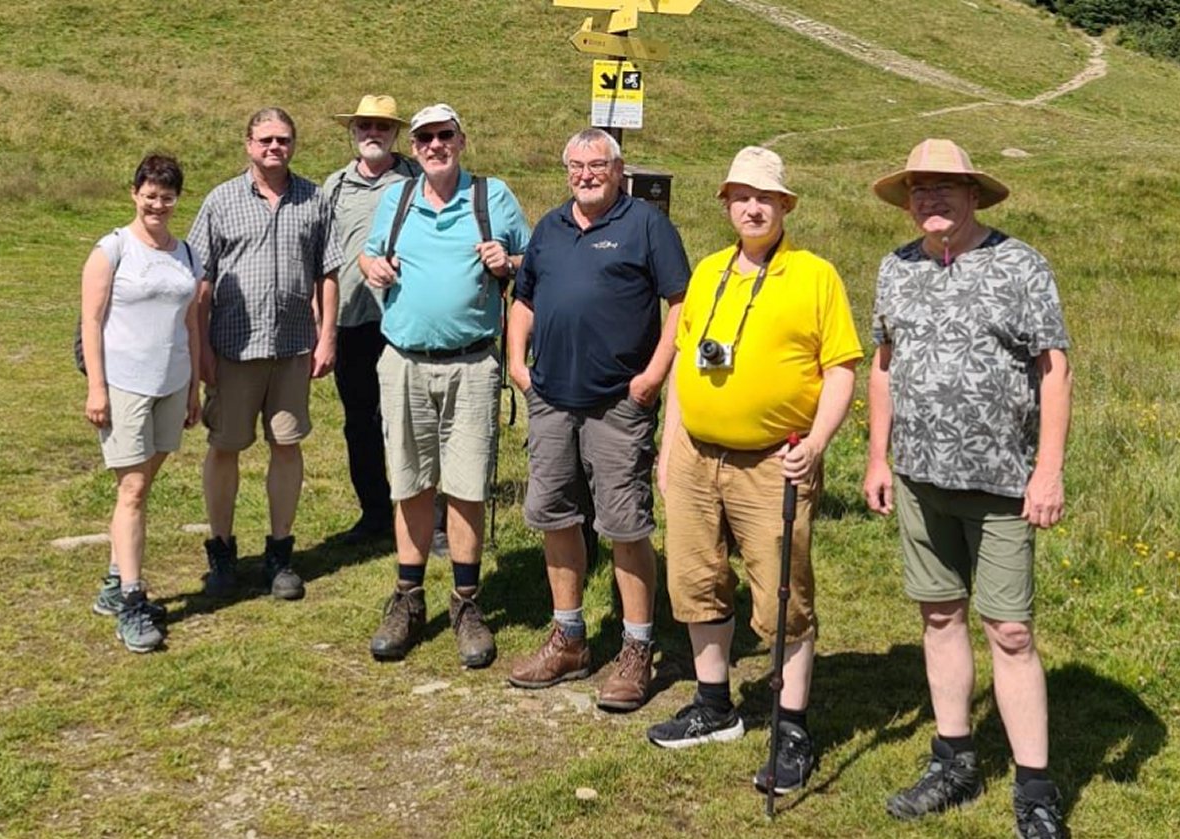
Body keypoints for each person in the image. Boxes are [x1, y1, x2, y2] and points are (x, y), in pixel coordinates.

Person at [864, 138, 1072, 839]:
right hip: (919, 478)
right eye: (918, 188)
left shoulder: (1020, 264)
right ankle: (953, 760)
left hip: (1004, 483)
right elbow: (884, 364)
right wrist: (878, 458)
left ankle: (1035, 788)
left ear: (974, 195)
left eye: (945, 187)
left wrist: (1048, 470)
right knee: (939, 615)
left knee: (1009, 630)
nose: (930, 198)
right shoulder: (896, 267)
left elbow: (1053, 369)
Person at [645, 147, 861, 798]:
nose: (753, 207)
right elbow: (685, 362)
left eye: (765, 197)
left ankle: (791, 728)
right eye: (742, 196)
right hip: (695, 455)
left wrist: (816, 444)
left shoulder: (815, 276)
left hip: (775, 460)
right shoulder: (709, 271)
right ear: (727, 204)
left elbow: (842, 369)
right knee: (695, 579)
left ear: (785, 205)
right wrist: (669, 447)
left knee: (782, 594)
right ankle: (714, 705)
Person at [506, 128, 690, 712]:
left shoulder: (646, 225)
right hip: (551, 399)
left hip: (618, 402)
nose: (586, 175)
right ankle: (569, 639)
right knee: (554, 514)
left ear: (619, 169)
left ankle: (637, 648)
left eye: (597, 165)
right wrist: (517, 363)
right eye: (576, 166)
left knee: (625, 525)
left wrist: (653, 376)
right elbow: (524, 299)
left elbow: (681, 303)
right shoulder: (550, 227)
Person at [360, 103, 530, 668]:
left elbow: (532, 262)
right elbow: (368, 254)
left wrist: (508, 262)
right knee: (410, 480)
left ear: (461, 140)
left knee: (466, 485)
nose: (435, 145)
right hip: (404, 361)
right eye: (425, 138)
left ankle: (465, 602)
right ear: (413, 148)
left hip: (472, 364)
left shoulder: (491, 197)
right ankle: (408, 598)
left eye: (445, 135)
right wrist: (370, 267)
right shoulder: (398, 198)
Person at [189, 107, 343, 601]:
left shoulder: (314, 199)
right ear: (248, 144)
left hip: (292, 347)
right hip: (233, 348)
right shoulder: (220, 201)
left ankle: (280, 553)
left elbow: (328, 273)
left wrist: (327, 336)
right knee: (225, 446)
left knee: (286, 445)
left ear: (293, 144)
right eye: (265, 140)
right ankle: (222, 551)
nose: (274, 147)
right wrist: (200, 348)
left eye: (283, 139)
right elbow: (201, 280)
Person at [81, 154, 203, 653]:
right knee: (132, 490)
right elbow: (91, 321)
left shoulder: (186, 253)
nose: (157, 205)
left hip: (172, 383)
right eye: (150, 196)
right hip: (125, 384)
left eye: (166, 197)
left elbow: (191, 323)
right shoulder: (111, 250)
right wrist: (97, 387)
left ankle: (114, 582)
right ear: (134, 193)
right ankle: (132, 601)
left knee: (141, 485)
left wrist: (193, 386)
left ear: (177, 200)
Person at [324, 95, 421, 545]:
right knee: (359, 421)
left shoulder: (418, 180)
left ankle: (425, 514)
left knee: (411, 420)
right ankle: (375, 513)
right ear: (353, 131)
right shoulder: (334, 187)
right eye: (365, 125)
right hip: (350, 319)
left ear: (395, 133)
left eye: (382, 126)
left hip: (405, 318)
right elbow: (320, 254)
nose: (373, 133)